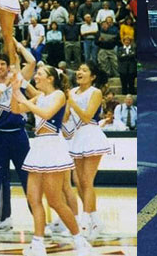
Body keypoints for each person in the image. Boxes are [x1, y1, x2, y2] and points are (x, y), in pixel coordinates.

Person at [13, 66, 91, 256]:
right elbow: (16, 109)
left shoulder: (59, 95)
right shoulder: (39, 97)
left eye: (39, 74)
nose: (35, 76)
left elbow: (46, 115)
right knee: (33, 198)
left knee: (55, 200)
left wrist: (25, 100)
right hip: (38, 146)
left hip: (52, 147)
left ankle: (80, 242)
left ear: (50, 78)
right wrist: (15, 90)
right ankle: (38, 244)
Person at [0, 46, 35, 232]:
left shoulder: (18, 81)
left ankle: (38, 217)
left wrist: (17, 45)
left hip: (19, 135)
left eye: (2, 64)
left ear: (7, 66)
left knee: (27, 177)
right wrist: (3, 88)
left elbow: (32, 63)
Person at [66, 61, 111, 240]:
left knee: (87, 180)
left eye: (84, 70)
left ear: (92, 76)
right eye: (78, 69)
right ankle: (95, 219)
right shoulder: (71, 92)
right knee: (77, 180)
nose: (79, 72)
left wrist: (71, 102)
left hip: (91, 135)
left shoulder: (95, 92)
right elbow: (68, 117)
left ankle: (85, 221)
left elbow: (87, 117)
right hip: (76, 137)